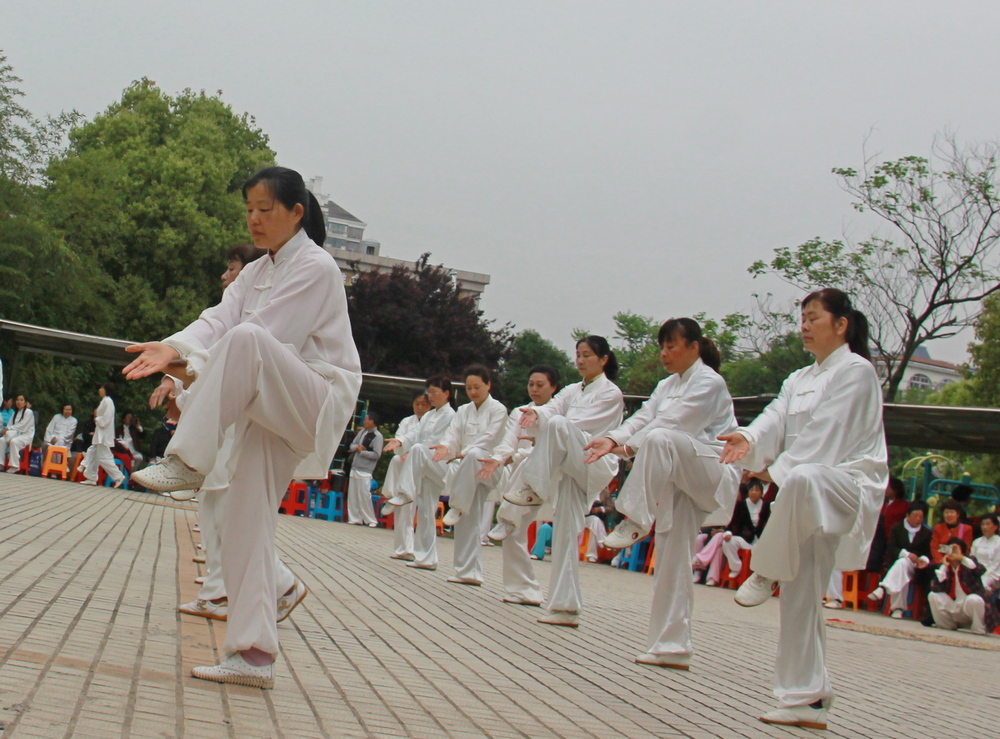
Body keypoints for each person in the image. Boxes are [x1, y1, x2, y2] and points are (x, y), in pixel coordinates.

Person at [126, 166, 362, 690]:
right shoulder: (256, 273)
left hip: (311, 397)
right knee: (242, 516)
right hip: (269, 400)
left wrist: (187, 367)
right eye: (249, 210)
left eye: (266, 210)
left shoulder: (317, 267)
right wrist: (174, 347)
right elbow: (216, 320)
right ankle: (253, 654)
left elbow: (261, 337)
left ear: (296, 213)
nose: (254, 220)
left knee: (250, 339)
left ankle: (186, 460)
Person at [719, 288, 887, 731]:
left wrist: (775, 472)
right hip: (803, 495)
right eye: (803, 318)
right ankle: (807, 696)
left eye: (813, 317)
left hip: (846, 485)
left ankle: (767, 565)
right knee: (802, 596)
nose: (805, 326)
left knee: (806, 474)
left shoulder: (857, 371)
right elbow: (775, 418)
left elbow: (826, 436)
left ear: (841, 324)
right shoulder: (798, 379)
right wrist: (750, 440)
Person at [588, 318, 739, 668]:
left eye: (672, 345)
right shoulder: (666, 385)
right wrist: (614, 438)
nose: (665, 353)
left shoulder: (709, 382)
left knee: (660, 438)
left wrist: (625, 448)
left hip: (711, 467)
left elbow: (674, 424)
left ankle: (637, 515)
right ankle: (672, 645)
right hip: (677, 473)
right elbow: (643, 417)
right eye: (663, 346)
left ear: (694, 347)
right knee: (673, 555)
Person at [503, 336, 624, 628]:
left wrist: (548, 420)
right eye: (578, 355)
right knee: (566, 532)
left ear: (603, 359)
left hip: (593, 460)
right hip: (571, 462)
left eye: (587, 355)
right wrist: (536, 411)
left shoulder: (611, 393)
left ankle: (534, 488)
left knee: (558, 425)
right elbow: (553, 408)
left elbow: (575, 423)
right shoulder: (572, 389)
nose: (580, 360)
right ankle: (564, 606)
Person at [485, 365, 560, 605]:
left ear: (554, 388)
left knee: (530, 460)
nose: (535, 389)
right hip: (520, 478)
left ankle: (505, 516)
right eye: (531, 385)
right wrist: (498, 459)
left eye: (541, 385)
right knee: (514, 532)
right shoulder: (520, 412)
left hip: (548, 476)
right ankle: (524, 589)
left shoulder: (559, 415)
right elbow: (509, 442)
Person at [426, 365, 508, 585]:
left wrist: (465, 452)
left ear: (488, 385)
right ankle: (467, 571)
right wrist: (445, 446)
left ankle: (456, 504)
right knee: (469, 518)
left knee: (474, 454)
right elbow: (452, 435)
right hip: (466, 472)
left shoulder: (498, 410)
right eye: (469, 388)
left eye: (477, 387)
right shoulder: (463, 411)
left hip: (489, 469)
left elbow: (491, 438)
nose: (473, 392)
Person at [383, 376, 457, 570]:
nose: (430, 396)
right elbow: (414, 434)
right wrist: (399, 442)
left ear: (447, 393)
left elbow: (439, 441)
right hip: (425, 467)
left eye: (435, 392)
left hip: (440, 464)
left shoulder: (451, 415)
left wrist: (413, 446)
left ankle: (404, 492)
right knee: (425, 510)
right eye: (429, 392)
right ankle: (426, 558)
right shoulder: (429, 416)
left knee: (416, 449)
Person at [382, 392, 431, 561]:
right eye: (416, 403)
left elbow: (428, 444)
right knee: (396, 459)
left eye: (423, 404)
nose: (419, 407)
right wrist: (404, 452)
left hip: (421, 470)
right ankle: (402, 548)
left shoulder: (432, 421)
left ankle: (411, 548)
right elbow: (399, 441)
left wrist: (410, 453)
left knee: (413, 511)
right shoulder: (406, 421)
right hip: (403, 467)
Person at [867, 501, 933, 618]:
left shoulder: (926, 533)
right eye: (915, 516)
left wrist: (922, 560)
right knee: (902, 565)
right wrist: (907, 555)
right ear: (907, 515)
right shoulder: (897, 528)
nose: (918, 519)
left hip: (916, 568)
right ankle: (897, 609)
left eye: (921, 517)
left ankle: (883, 588)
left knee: (902, 566)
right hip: (899, 564)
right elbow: (892, 547)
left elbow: (928, 553)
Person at [928, 538, 998, 635]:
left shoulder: (969, 563)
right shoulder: (944, 567)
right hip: (953, 606)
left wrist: (961, 558)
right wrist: (944, 566)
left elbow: (981, 570)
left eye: (955, 550)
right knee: (933, 595)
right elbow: (935, 588)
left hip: (967, 607)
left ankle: (978, 629)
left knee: (974, 599)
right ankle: (947, 625)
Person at [80, 384, 126, 487]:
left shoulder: (108, 401)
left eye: (102, 388)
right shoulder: (105, 400)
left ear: (106, 390)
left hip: (103, 435)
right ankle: (91, 477)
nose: (100, 390)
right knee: (92, 453)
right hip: (100, 434)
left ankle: (118, 476)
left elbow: (106, 419)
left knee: (103, 457)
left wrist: (97, 419)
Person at [347, 412, 384, 527]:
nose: (364, 421)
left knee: (364, 494)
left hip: (366, 469)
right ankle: (354, 518)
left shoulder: (378, 436)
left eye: (367, 419)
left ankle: (370, 519)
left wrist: (362, 452)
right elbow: (353, 444)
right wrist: (357, 448)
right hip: (355, 466)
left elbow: (377, 454)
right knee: (353, 494)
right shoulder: (362, 432)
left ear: (372, 421)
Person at [930, 500, 974, 564]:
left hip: (958, 562)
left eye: (952, 512)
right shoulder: (938, 528)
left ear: (957, 514)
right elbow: (934, 548)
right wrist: (942, 560)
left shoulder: (966, 529)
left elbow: (966, 549)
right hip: (940, 562)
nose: (949, 515)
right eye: (946, 512)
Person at [0, 395, 35, 472]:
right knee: (2, 440)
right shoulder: (15, 413)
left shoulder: (28, 412)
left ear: (25, 403)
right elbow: (10, 425)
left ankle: (15, 466)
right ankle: (1, 464)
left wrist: (9, 429)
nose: (19, 402)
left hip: (25, 435)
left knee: (14, 442)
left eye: (21, 400)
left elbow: (23, 426)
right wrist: (6, 430)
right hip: (15, 434)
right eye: (17, 400)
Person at [970, 513, 1000, 592]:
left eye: (988, 524)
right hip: (976, 572)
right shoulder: (976, 542)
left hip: (993, 575)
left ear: (996, 527)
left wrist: (983, 576)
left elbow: (996, 565)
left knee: (981, 584)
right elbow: (972, 560)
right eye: (983, 524)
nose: (984, 527)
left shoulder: (998, 542)